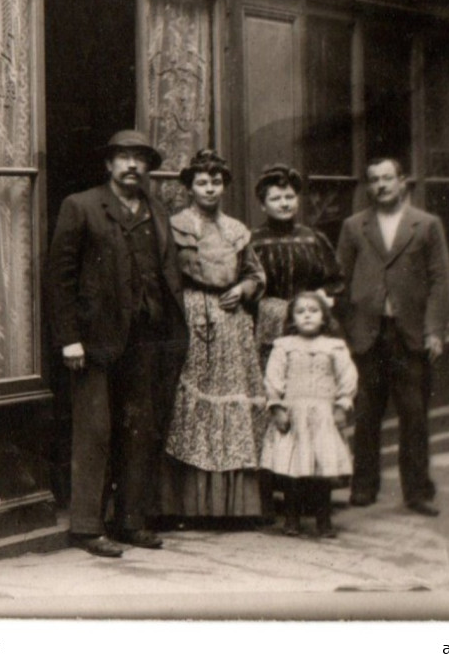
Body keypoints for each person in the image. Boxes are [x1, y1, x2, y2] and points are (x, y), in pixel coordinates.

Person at [46, 129, 188, 557]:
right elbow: (60, 278)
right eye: (123, 157)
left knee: (139, 431)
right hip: (95, 341)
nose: (132, 165)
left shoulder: (156, 210)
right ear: (108, 165)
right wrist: (69, 338)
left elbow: (168, 272)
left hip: (148, 339)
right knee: (95, 431)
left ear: (148, 167)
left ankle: (130, 520)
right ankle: (87, 527)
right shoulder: (81, 206)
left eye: (140, 158)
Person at [337, 157, 449, 516]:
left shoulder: (427, 225)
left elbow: (440, 282)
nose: (381, 185)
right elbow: (340, 281)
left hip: (409, 335)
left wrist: (434, 331)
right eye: (374, 180)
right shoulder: (355, 227)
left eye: (388, 178)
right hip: (368, 334)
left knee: (414, 415)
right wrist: (346, 330)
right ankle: (363, 488)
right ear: (368, 186)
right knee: (367, 413)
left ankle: (417, 492)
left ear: (402, 182)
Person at [162, 149, 268, 519]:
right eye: (202, 182)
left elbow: (256, 273)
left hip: (231, 321)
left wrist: (243, 290)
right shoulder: (175, 225)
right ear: (190, 187)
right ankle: (187, 505)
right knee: (190, 403)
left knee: (229, 399)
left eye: (216, 181)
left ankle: (231, 507)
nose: (210, 188)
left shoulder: (236, 230)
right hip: (192, 317)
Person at [261, 291, 357, 538]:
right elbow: (273, 377)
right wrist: (277, 407)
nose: (307, 316)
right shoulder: (284, 346)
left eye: (313, 311)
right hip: (294, 416)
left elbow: (347, 377)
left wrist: (341, 406)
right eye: (301, 312)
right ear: (292, 319)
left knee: (322, 469)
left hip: (322, 416)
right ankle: (292, 519)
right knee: (293, 469)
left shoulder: (333, 346)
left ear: (324, 317)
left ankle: (323, 521)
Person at [250, 163, 345, 367]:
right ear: (263, 205)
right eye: (276, 199)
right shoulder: (253, 242)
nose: (284, 204)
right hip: (267, 328)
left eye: (290, 197)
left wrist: (322, 295)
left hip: (309, 323)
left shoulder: (313, 239)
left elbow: (335, 281)